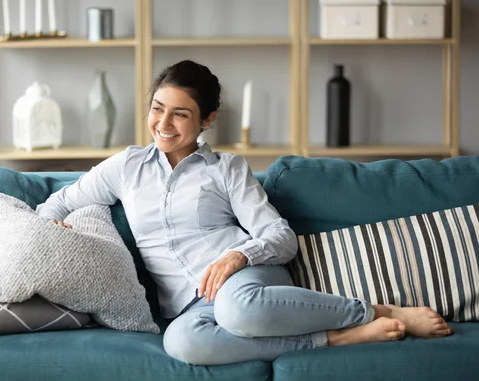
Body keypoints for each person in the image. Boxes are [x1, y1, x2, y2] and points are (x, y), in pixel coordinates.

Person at [36, 60, 454, 366]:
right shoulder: (124, 167)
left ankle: (377, 311)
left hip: (244, 279)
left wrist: (238, 256)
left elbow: (280, 238)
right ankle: (339, 338)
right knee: (183, 345)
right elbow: (56, 202)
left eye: (180, 113)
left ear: (207, 119)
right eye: (157, 108)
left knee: (238, 311)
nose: (163, 122)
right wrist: (55, 227)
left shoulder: (226, 169)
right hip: (189, 305)